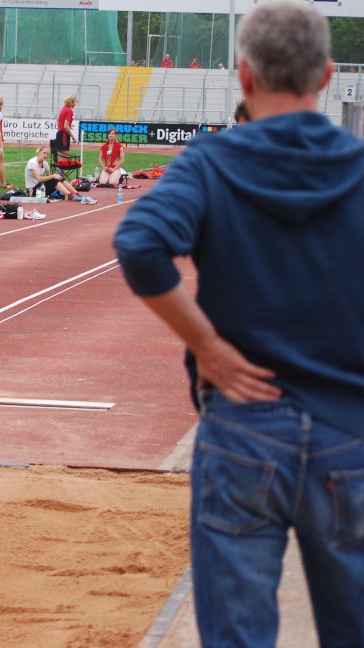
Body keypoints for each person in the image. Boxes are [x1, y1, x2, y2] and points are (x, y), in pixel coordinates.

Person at [113, 2, 364, 646]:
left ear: (243, 75)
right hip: (349, 431)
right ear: (327, 75)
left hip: (244, 429)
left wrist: (208, 347)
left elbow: (140, 242)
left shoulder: (211, 162)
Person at [24, 145, 92, 204]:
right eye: (44, 153)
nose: (46, 155)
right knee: (54, 179)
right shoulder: (32, 162)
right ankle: (70, 195)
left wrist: (56, 176)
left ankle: (78, 194)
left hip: (41, 189)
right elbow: (39, 179)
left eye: (47, 154)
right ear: (39, 152)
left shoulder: (45, 163)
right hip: (32, 190)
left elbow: (50, 178)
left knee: (57, 178)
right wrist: (53, 176)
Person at [52, 94, 78, 162]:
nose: (76, 104)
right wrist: (73, 137)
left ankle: (59, 168)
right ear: (72, 102)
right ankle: (62, 169)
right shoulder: (69, 110)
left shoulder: (63, 108)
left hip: (60, 134)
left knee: (60, 156)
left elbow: (58, 120)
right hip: (64, 135)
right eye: (76, 102)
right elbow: (66, 126)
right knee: (64, 156)